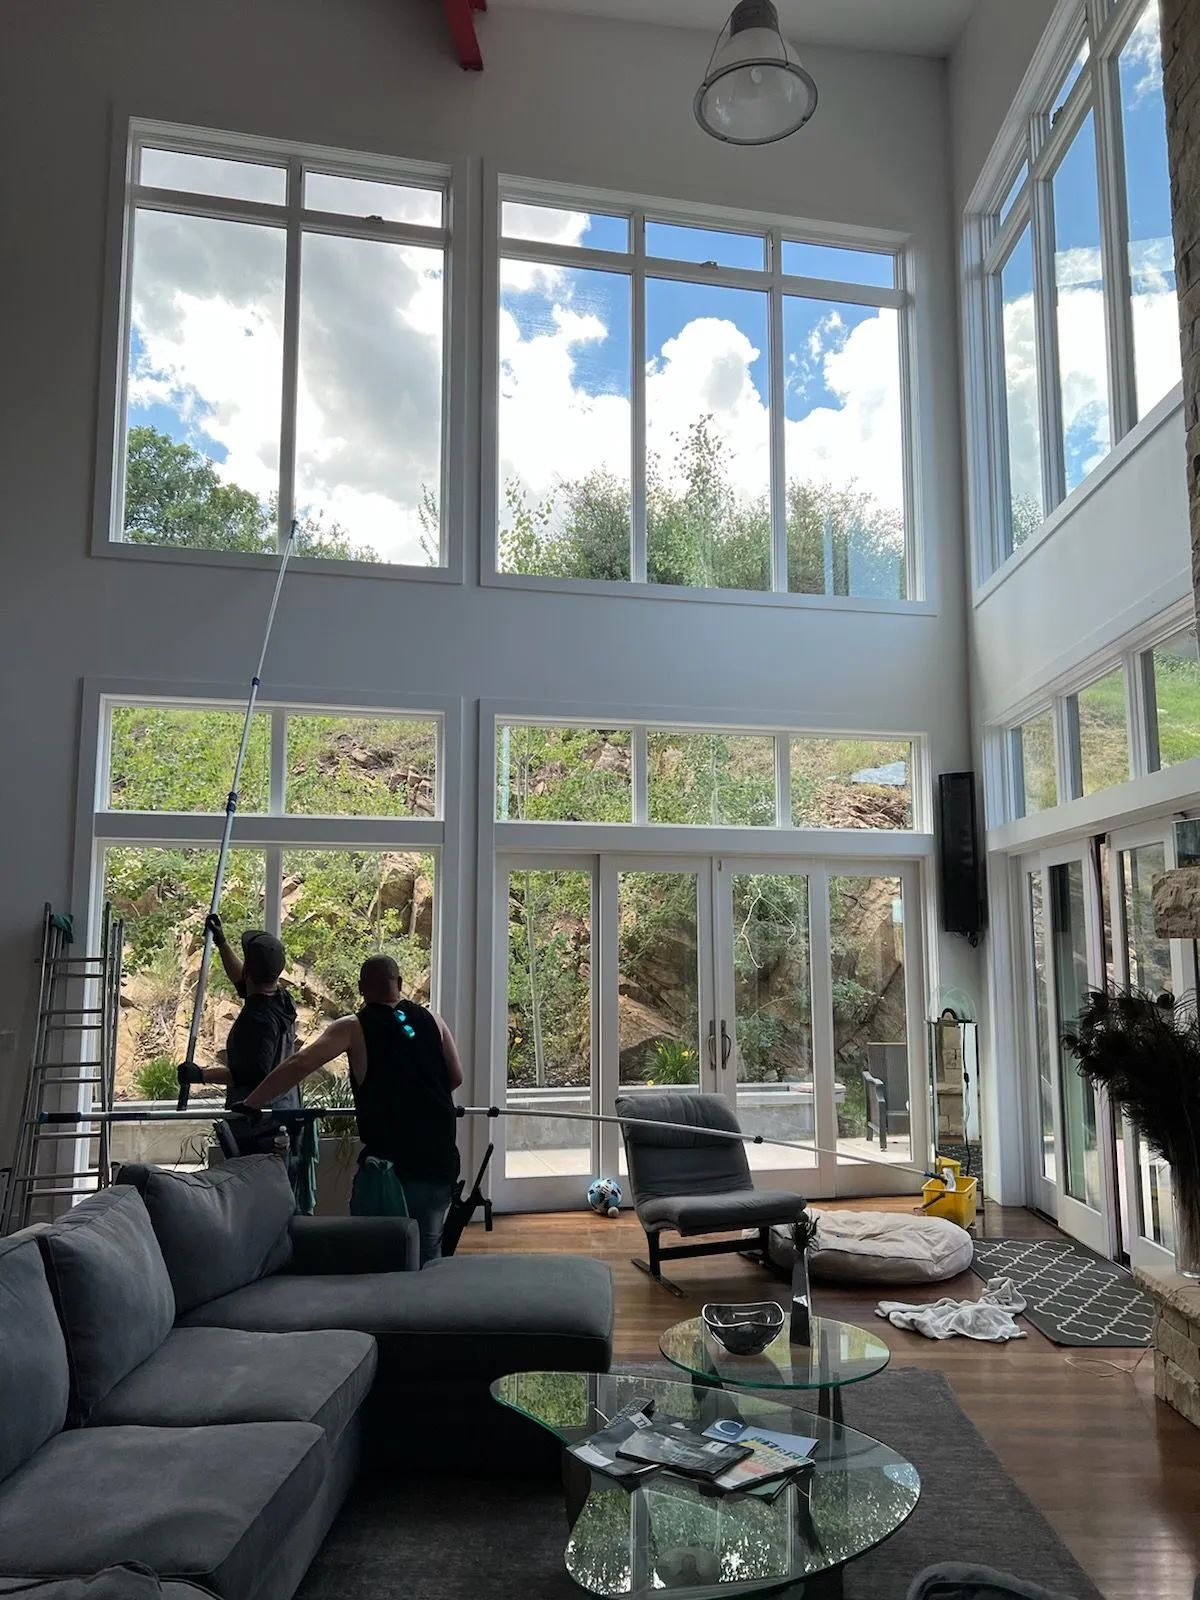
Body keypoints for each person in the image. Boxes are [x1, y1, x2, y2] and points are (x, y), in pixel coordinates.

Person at [240, 954, 464, 1265]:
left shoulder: (354, 1027)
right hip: (439, 1159)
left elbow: (300, 1063)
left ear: (361, 988)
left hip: (391, 1168)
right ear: (399, 984)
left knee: (373, 1251)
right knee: (428, 1253)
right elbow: (455, 1077)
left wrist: (253, 1102)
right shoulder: (434, 1020)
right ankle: (427, 1307)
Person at [176, 914, 299, 1116]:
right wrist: (221, 942)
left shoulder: (256, 1021)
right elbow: (242, 980)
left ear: (249, 972)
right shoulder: (283, 1000)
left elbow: (249, 1075)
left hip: (257, 1121)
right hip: (284, 1109)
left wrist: (199, 1074)